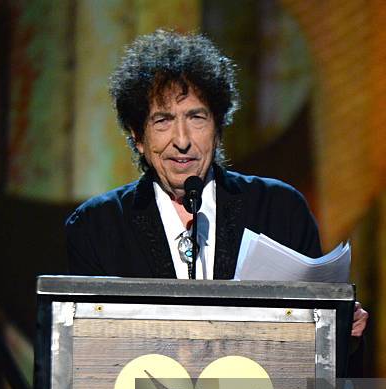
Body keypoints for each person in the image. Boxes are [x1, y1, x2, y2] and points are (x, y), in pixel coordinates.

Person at [65, 29, 367, 337]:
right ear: (138, 136)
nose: (182, 140)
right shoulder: (97, 226)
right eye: (163, 120)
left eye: (196, 118)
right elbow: (84, 354)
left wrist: (344, 332)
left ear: (218, 127)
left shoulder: (279, 209)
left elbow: (318, 351)